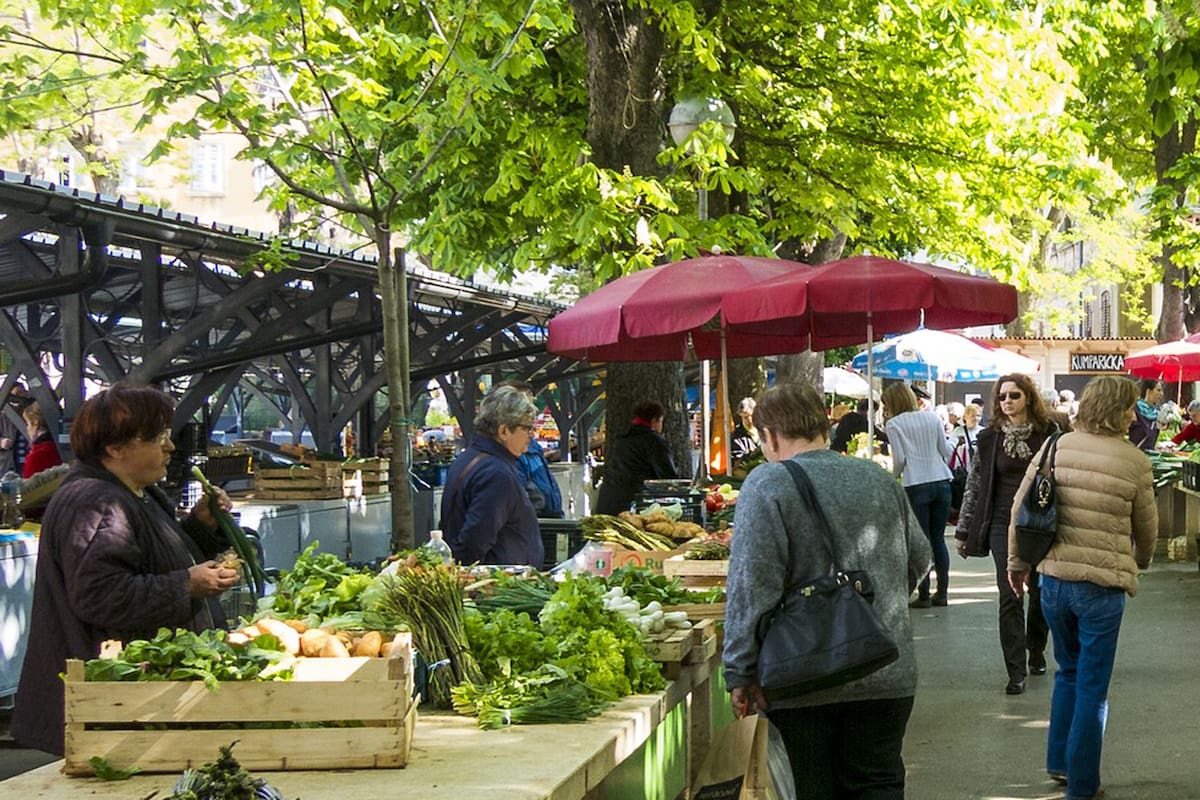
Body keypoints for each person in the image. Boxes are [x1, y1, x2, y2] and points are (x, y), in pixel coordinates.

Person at [723, 382, 931, 800]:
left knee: (812, 787)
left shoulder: (767, 484)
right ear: (823, 426)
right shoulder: (878, 477)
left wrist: (739, 670)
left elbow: (752, 585)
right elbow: (920, 560)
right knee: (879, 785)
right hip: (885, 667)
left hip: (803, 676)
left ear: (769, 435)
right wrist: (871, 607)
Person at [11, 383, 240, 756]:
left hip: (130, 703)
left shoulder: (135, 491)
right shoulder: (96, 502)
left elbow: (154, 556)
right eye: (157, 437)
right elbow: (101, 597)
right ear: (115, 448)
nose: (170, 446)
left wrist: (202, 526)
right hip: (109, 706)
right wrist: (187, 584)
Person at [1007, 375, 1156, 800]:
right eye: (1129, 408)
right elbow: (1146, 529)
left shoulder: (1056, 446)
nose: (1132, 415)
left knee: (1067, 672)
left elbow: (1022, 505)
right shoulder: (1133, 461)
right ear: (1115, 410)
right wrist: (1140, 562)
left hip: (1053, 582)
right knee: (1092, 684)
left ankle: (1059, 763)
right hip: (1102, 588)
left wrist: (1018, 564)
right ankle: (1083, 784)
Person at [954, 373, 1056, 695]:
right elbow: (975, 483)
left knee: (1039, 591)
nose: (1007, 402)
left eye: (1014, 395)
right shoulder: (989, 437)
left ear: (1028, 397)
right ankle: (1015, 672)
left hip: (1039, 522)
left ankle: (1036, 647)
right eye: (1002, 397)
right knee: (1010, 594)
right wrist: (964, 528)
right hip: (1002, 523)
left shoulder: (1049, 434)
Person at [440, 386, 543, 567]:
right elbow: (474, 541)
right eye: (527, 428)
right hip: (495, 584)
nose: (531, 435)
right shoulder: (496, 474)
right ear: (503, 431)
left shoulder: (468, 458)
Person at [881, 383, 954, 608]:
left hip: (915, 483)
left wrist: (892, 478)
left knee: (921, 541)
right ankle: (942, 592)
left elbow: (900, 459)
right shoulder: (932, 419)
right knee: (938, 538)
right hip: (941, 480)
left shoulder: (894, 424)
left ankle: (923, 594)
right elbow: (946, 451)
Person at [594, 400, 677, 515]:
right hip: (635, 506)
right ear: (654, 421)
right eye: (661, 421)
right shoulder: (654, 441)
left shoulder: (622, 440)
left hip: (608, 504)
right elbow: (668, 476)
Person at [496, 380, 563, 518]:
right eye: (526, 402)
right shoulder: (504, 454)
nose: (532, 409)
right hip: (536, 522)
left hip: (547, 519)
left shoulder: (531, 444)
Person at [21, 402, 63, 478]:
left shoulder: (35, 457)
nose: (27, 428)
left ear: (36, 424)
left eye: (28, 424)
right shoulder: (65, 448)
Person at [1127, 378, 1163, 451]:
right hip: (1135, 454)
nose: (1162, 394)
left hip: (1151, 455)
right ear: (1149, 391)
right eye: (1158, 390)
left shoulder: (1155, 413)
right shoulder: (1134, 409)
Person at [730, 397, 760, 467]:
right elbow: (736, 461)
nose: (749, 420)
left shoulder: (765, 429)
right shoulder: (736, 436)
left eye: (751, 416)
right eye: (745, 417)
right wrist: (751, 454)